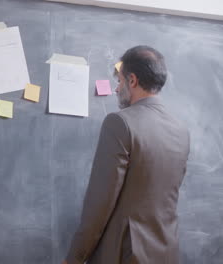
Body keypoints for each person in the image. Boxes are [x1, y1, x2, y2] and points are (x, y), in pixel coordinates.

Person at [63, 46, 190, 264]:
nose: (116, 89)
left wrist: (74, 258)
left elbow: (100, 202)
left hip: (124, 254)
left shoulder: (120, 122)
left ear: (132, 80)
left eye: (120, 81)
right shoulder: (181, 130)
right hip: (167, 253)